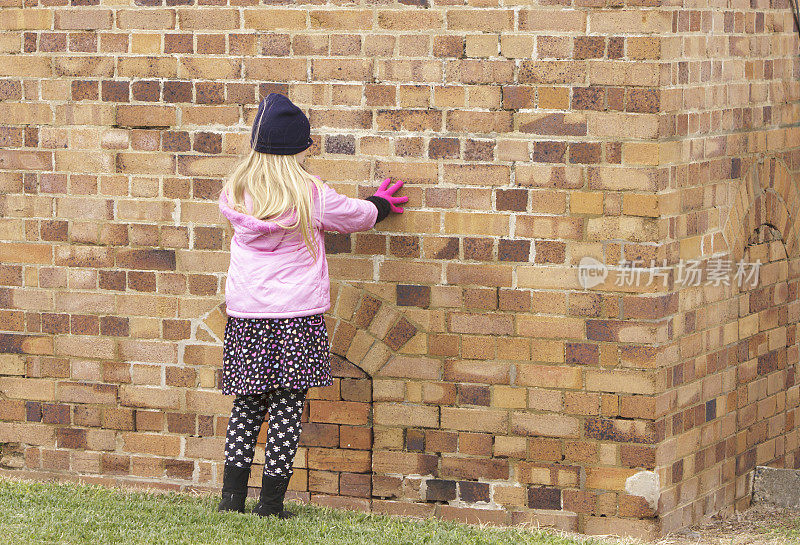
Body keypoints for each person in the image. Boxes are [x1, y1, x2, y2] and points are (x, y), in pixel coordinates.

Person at [215, 93, 407, 519]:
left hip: (247, 317)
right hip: (297, 319)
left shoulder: (237, 190)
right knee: (286, 410)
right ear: (298, 148)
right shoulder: (308, 194)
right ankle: (271, 505)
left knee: (246, 407)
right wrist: (380, 203)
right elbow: (356, 215)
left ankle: (231, 501)